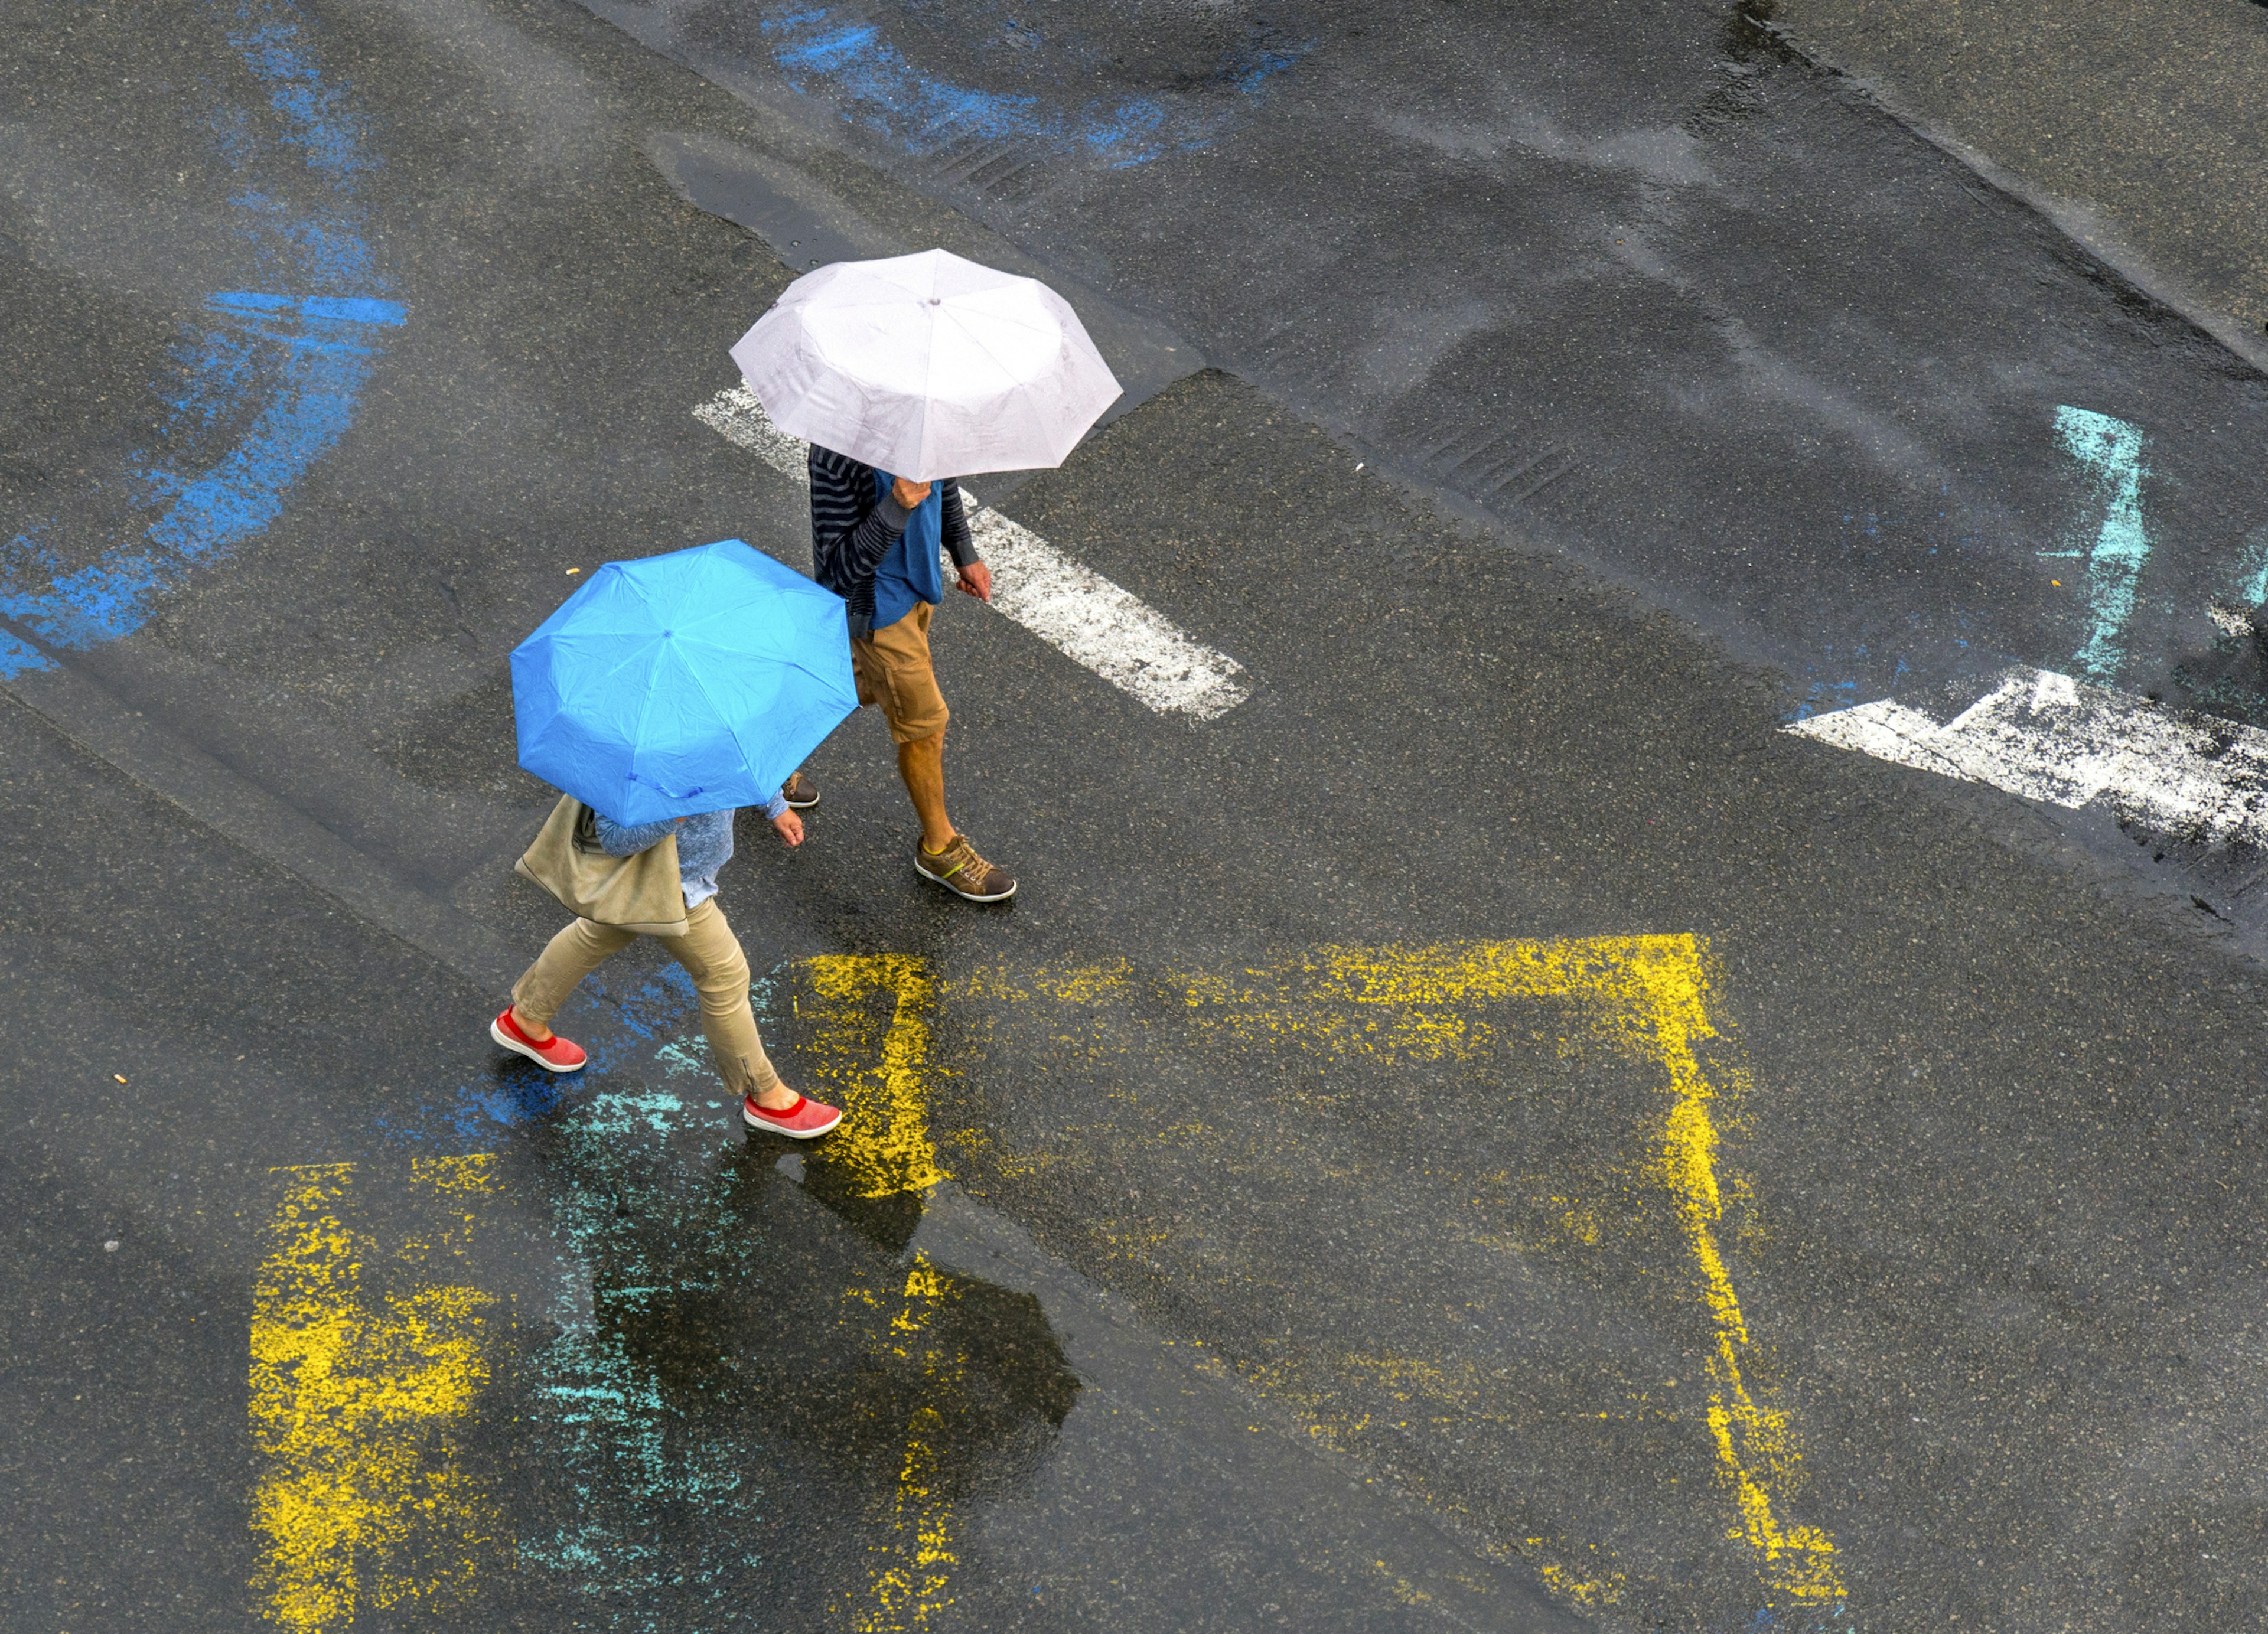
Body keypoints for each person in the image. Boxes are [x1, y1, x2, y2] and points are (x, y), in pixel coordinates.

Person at [488, 792, 841, 1139]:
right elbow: (614, 839)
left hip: (679, 876)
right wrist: (675, 813)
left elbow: (742, 761)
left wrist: (775, 805)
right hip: (669, 885)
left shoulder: (707, 734)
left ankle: (526, 1021)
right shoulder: (635, 755)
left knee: (596, 934)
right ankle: (767, 1096)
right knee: (723, 975)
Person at [777, 445, 1016, 902]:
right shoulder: (836, 453)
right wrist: (897, 505)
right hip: (878, 609)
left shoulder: (920, 417)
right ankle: (939, 848)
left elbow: (942, 485)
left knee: (854, 682)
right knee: (925, 725)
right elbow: (838, 570)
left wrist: (963, 551)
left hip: (917, 592)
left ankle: (758, 753)